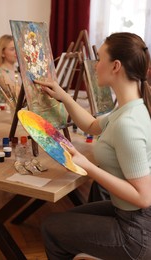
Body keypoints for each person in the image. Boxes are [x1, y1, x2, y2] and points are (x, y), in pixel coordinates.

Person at [35, 32, 151, 260]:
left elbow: (143, 197)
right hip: (131, 216)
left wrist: (88, 166)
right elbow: (90, 125)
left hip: (137, 233)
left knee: (51, 228)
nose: (95, 65)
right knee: (61, 221)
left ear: (115, 66)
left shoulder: (127, 124)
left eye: (99, 59)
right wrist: (64, 97)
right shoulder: (132, 108)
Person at [0, 34, 22, 106]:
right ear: (2, 53)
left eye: (16, 48)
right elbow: (16, 92)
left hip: (12, 111)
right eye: (12, 49)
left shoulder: (17, 69)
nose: (16, 52)